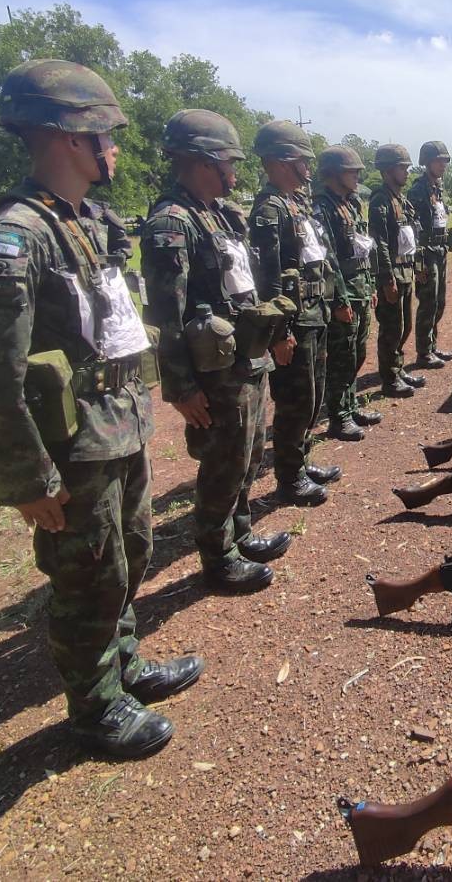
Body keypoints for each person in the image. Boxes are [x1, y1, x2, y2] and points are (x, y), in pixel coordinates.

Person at [0, 60, 200, 759]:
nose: (115, 148)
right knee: (88, 573)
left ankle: (124, 666)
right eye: (107, 135)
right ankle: (94, 708)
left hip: (118, 422)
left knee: (131, 552)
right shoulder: (17, 234)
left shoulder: (86, 221)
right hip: (74, 443)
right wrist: (27, 476)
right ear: (71, 136)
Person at [141, 109, 294, 593]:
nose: (235, 171)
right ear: (205, 161)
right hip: (215, 372)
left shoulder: (218, 214)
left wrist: (272, 334)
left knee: (247, 456)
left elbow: (245, 285)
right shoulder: (172, 222)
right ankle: (219, 556)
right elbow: (165, 315)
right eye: (229, 161)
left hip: (246, 357)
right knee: (223, 464)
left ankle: (240, 533)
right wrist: (181, 387)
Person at [248, 120, 345, 507]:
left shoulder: (296, 204)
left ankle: (302, 460)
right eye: (303, 160)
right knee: (294, 401)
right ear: (282, 162)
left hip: (314, 313)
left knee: (312, 396)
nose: (308, 167)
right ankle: (290, 476)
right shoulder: (269, 210)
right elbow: (267, 279)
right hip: (294, 322)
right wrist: (279, 332)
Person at [314, 144, 383, 440]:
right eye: (351, 171)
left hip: (360, 288)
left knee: (357, 352)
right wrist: (340, 300)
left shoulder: (351, 203)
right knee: (341, 357)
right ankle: (338, 416)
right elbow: (328, 260)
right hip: (342, 295)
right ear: (333, 173)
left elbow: (362, 248)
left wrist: (370, 285)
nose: (357, 175)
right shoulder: (322, 207)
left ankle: (351, 406)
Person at [368, 144, 425, 398]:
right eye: (402, 168)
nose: (407, 172)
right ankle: (390, 379)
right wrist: (386, 278)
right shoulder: (380, 200)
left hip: (405, 270)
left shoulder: (400, 199)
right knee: (391, 329)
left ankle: (398, 369)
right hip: (392, 274)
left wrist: (416, 267)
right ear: (388, 170)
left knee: (404, 326)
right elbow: (379, 242)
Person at [407, 140, 452, 368]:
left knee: (439, 302)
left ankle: (432, 346)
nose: (443, 165)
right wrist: (418, 263)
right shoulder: (418, 190)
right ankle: (424, 352)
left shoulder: (438, 188)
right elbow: (411, 228)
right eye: (439, 161)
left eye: (445, 161)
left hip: (440, 250)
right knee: (428, 303)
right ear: (427, 162)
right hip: (426, 254)